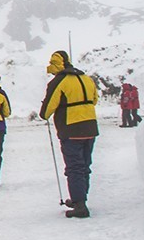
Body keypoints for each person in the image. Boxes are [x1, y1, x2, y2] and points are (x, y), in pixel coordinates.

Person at [39, 50, 99, 219]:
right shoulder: (87, 79)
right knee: (85, 165)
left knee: (74, 167)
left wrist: (45, 113)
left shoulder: (59, 81)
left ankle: (80, 205)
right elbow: (94, 99)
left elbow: (47, 110)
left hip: (71, 128)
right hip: (90, 127)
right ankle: (80, 199)